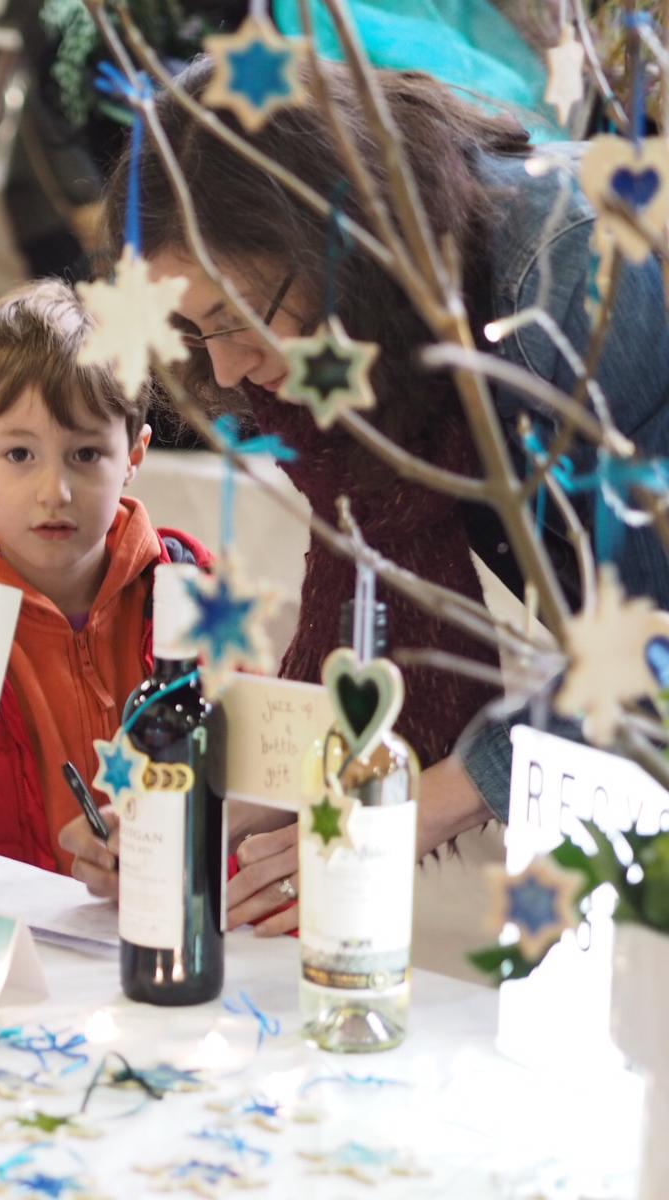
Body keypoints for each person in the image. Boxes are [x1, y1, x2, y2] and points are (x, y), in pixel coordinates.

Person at [55, 57, 669, 931]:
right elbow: (360, 630)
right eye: (194, 330)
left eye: (232, 317)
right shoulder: (362, 342)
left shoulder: (565, 281)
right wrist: (202, 813)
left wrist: (417, 807)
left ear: (323, 238)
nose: (223, 366)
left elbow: (650, 648)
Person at [0, 279, 210, 876]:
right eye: (20, 455)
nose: (54, 492)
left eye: (85, 455)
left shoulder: (191, 592)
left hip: (168, 931)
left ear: (133, 455)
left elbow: (247, 781)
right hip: (0, 945)